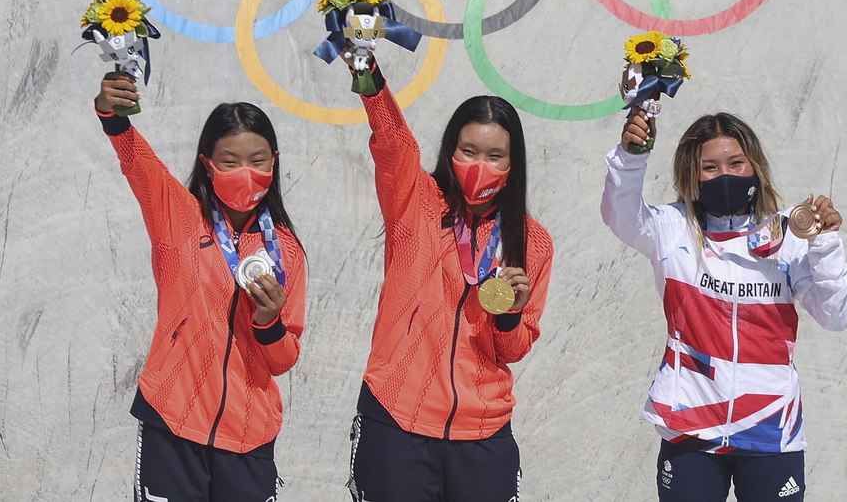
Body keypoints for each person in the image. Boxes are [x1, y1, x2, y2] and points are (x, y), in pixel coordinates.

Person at [601, 107, 847, 502]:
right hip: (691, 424)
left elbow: (837, 316)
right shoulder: (671, 228)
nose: (725, 175)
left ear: (754, 165)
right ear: (691, 174)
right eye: (710, 167)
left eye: (736, 163)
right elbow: (619, 213)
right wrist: (631, 157)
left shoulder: (787, 233)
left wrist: (825, 244)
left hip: (770, 427)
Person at [341, 55, 554, 502]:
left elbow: (513, 351)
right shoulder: (416, 202)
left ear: (513, 163)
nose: (479, 165)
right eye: (468, 151)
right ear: (449, 151)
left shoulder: (532, 242)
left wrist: (511, 316)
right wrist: (368, 75)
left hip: (482, 432)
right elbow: (392, 142)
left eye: (495, 156)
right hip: (397, 420)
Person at [95, 72, 307, 502]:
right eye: (230, 162)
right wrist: (110, 112)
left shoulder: (287, 251)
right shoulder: (177, 216)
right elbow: (136, 159)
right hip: (173, 424)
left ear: (274, 162)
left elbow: (283, 361)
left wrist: (269, 323)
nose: (245, 173)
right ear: (207, 164)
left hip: (248, 437)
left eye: (258, 161)